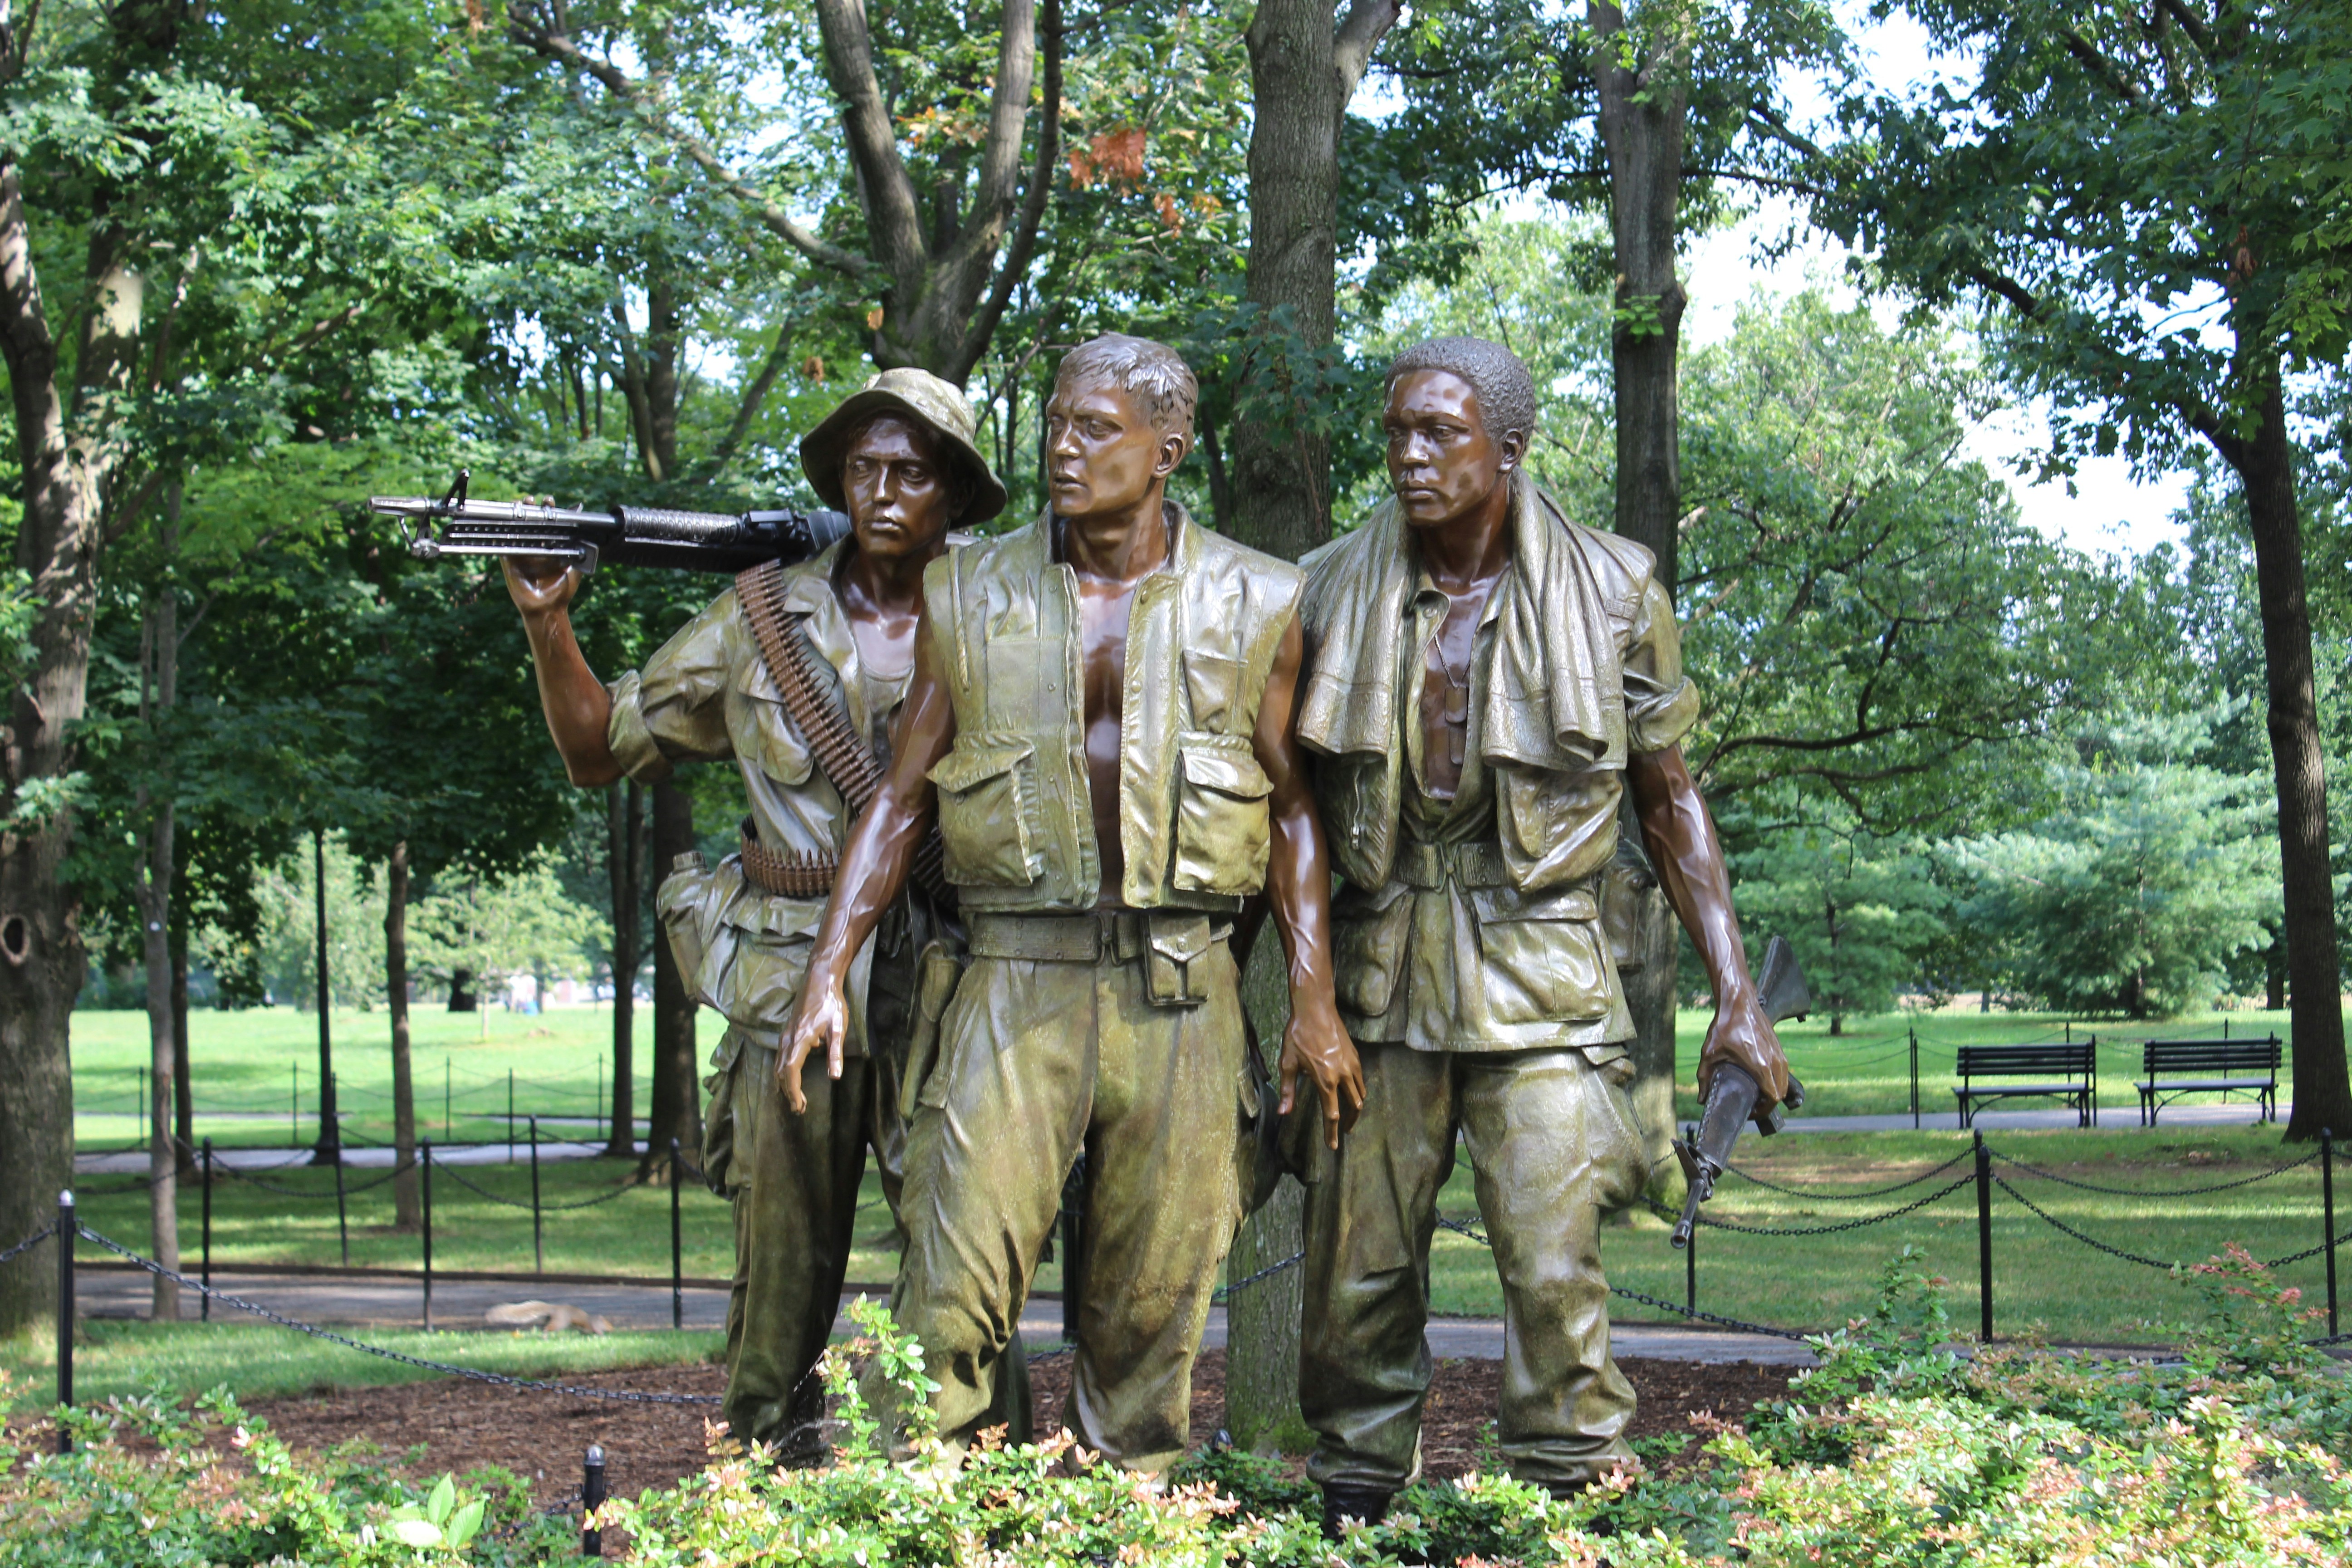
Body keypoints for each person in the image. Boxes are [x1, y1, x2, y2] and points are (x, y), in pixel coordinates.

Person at [781, 333, 1366, 1472]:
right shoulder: (969, 588)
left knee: (1149, 1330)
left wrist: (1313, 999)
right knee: (947, 1304)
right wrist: (825, 977)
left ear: (1167, 451)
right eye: (1055, 421)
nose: (1062, 445)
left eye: (1095, 428)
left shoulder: (1259, 599)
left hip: (1182, 996)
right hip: (1012, 982)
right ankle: (932, 1534)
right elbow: (899, 804)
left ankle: (1129, 1526)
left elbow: (1296, 811)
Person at [1294, 336, 1792, 1527]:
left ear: (1508, 450)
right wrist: (1303, 1003)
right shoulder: (1321, 586)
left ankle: (1566, 1510)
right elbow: (1283, 808)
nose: (1409, 457)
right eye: (1396, 433)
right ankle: (1357, 1513)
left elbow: (1670, 796)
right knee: (1357, 1276)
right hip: (1379, 971)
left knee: (1553, 1263)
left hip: (1543, 969)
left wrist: (1737, 990)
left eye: (1440, 435)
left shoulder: (1616, 588)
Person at [501, 368, 1028, 1458]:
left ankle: (980, 1488)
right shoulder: (758, 617)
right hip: (790, 978)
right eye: (862, 469)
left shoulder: (1008, 611)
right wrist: (551, 627)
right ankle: (766, 1482)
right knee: (780, 1274)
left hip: (959, 973)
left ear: (956, 496)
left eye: (912, 472)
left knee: (967, 1254)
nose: (882, 491)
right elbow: (599, 751)